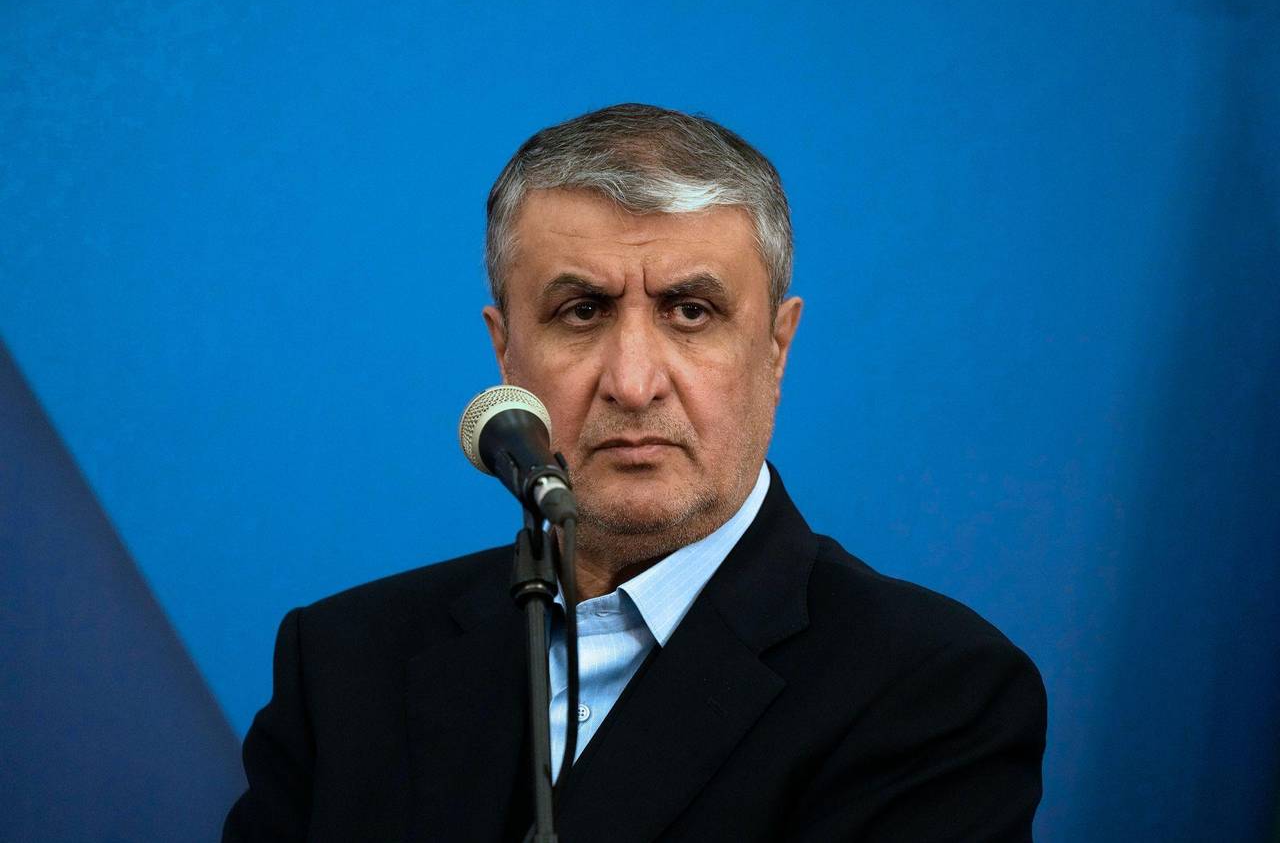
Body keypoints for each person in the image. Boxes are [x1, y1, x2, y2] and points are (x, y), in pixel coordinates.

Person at [224, 103, 1046, 842]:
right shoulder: (343, 665)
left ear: (776, 349)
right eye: (581, 311)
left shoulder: (932, 689)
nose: (633, 380)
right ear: (505, 352)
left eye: (691, 311)